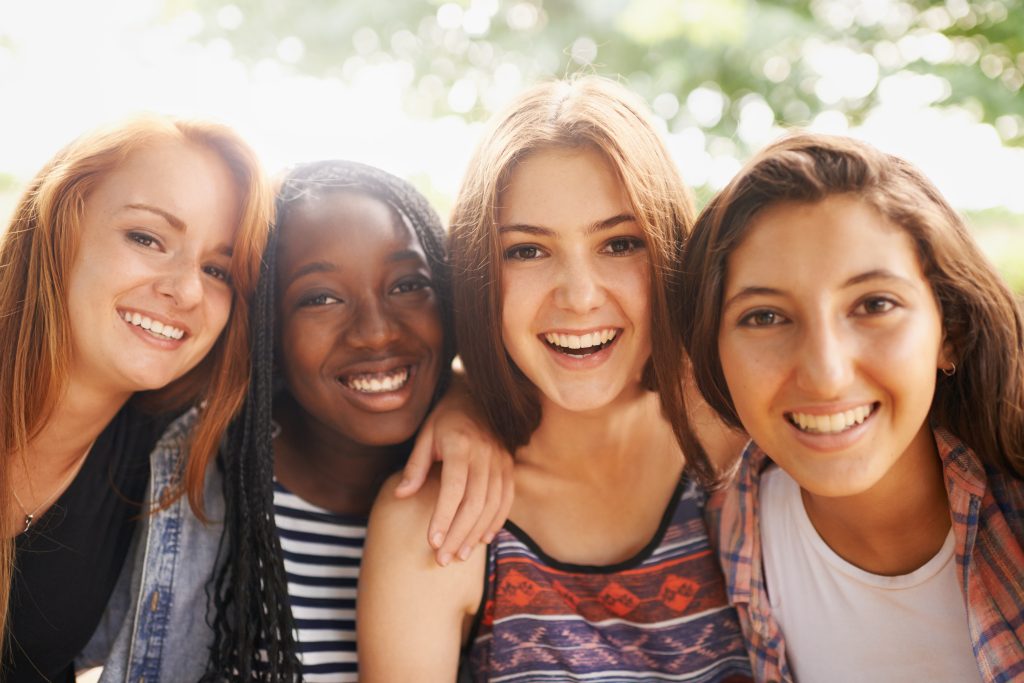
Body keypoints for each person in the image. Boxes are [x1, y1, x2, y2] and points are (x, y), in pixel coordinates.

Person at [358, 76, 753, 682]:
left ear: (668, 250)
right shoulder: (444, 519)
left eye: (619, 244)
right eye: (527, 251)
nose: (579, 296)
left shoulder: (748, 437)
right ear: (478, 273)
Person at [90, 160, 512, 683]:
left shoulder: (491, 481)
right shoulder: (186, 477)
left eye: (407, 285)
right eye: (321, 298)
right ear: (268, 331)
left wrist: (469, 397)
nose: (376, 333)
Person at [679, 133, 1024, 682]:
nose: (826, 372)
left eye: (874, 305)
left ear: (949, 330)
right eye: (765, 316)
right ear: (714, 355)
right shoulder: (718, 532)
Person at [0, 115, 272, 682]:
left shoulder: (162, 449)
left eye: (217, 268)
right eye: (147, 238)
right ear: (59, 223)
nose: (187, 290)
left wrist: (466, 410)